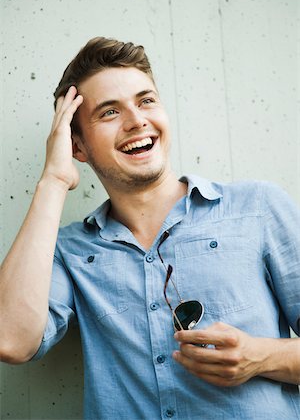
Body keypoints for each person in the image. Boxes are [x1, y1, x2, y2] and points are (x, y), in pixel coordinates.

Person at [0, 37, 299, 420]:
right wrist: (54, 180)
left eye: (146, 100)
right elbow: (10, 340)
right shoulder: (68, 252)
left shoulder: (257, 208)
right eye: (109, 112)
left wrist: (261, 357)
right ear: (78, 146)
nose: (137, 120)